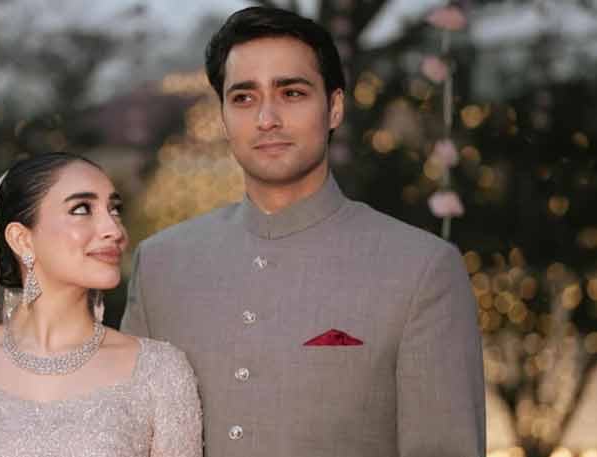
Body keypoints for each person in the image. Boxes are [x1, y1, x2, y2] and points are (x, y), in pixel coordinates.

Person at [122, 6, 485, 457]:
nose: (266, 118)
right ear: (221, 117)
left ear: (333, 107)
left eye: (291, 93)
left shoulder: (421, 269)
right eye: (243, 97)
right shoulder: (161, 265)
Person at [0, 153, 202, 457]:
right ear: (22, 239)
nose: (114, 230)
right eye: (83, 209)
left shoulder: (160, 371)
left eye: (114, 210)